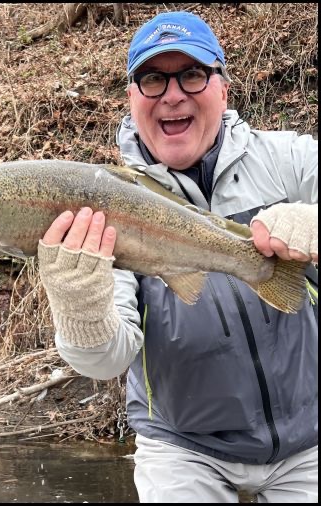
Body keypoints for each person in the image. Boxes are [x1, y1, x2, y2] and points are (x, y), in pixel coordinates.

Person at [37, 11, 318, 503]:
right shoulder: (101, 204)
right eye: (152, 79)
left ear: (223, 89)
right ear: (132, 99)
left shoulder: (288, 161)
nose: (172, 94)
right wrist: (81, 308)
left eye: (192, 75)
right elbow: (105, 362)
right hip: (181, 447)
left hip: (311, 435)